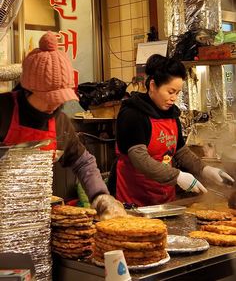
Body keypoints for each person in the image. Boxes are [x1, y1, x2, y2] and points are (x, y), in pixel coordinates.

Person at [0, 31, 126, 220]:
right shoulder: (3, 110)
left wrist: (100, 196)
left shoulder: (60, 122)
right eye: (50, 98)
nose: (55, 105)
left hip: (35, 221)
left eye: (60, 99)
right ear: (28, 89)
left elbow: (83, 162)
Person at [115, 54, 234, 207]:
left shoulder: (171, 114)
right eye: (170, 92)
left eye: (177, 93)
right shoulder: (133, 114)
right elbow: (140, 160)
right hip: (135, 202)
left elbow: (181, 151)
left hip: (165, 201)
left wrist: (205, 169)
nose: (174, 98)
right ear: (152, 86)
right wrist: (177, 176)